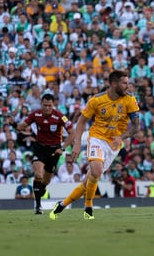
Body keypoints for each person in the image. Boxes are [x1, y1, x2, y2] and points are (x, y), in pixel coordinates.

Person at [49, 70, 140, 220]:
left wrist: (122, 136)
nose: (127, 86)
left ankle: (61, 205)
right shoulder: (96, 100)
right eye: (124, 83)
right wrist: (77, 144)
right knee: (96, 171)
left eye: (128, 83)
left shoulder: (130, 100)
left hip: (113, 145)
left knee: (87, 182)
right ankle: (88, 207)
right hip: (97, 138)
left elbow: (136, 127)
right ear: (114, 84)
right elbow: (81, 121)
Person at [10, 93, 75, 214]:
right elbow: (20, 127)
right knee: (38, 174)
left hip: (54, 151)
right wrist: (12, 123)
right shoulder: (35, 114)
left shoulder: (60, 117)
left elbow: (73, 132)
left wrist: (63, 147)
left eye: (49, 105)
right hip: (40, 148)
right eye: (45, 105)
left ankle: (42, 189)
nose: (47, 108)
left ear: (53, 105)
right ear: (41, 104)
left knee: (46, 181)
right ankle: (38, 206)